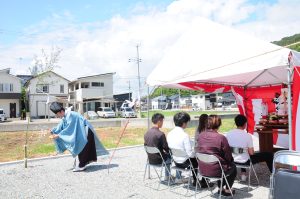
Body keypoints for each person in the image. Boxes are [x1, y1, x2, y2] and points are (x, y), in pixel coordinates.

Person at [49, 102, 108, 172]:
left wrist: (59, 135)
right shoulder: (66, 115)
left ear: (61, 111)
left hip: (85, 131)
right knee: (82, 147)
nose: (57, 116)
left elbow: (69, 129)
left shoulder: (71, 115)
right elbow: (61, 126)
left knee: (81, 146)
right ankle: (82, 164)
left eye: (57, 114)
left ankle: (81, 165)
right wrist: (53, 131)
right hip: (81, 131)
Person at [197, 115, 237, 196]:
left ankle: (221, 188)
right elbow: (228, 155)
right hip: (216, 170)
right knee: (232, 167)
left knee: (220, 164)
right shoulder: (221, 137)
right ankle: (227, 189)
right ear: (219, 124)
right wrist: (230, 161)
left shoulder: (200, 136)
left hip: (202, 169)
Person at [226, 114, 273, 181]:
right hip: (245, 161)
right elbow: (252, 153)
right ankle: (274, 174)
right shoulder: (247, 136)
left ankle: (243, 174)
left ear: (235, 123)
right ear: (245, 124)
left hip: (233, 160)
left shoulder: (229, 133)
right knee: (268, 155)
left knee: (241, 152)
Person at [167, 112, 207, 187]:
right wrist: (197, 154)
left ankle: (197, 180)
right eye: (187, 122)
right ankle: (199, 181)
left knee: (194, 158)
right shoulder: (184, 135)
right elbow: (190, 154)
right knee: (200, 159)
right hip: (185, 164)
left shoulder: (169, 134)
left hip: (176, 162)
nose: (187, 124)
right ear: (184, 123)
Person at [144, 113, 172, 181]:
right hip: (159, 160)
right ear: (159, 121)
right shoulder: (160, 134)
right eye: (162, 121)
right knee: (170, 156)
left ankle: (168, 175)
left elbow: (145, 145)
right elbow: (166, 148)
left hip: (150, 160)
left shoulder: (147, 133)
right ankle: (168, 176)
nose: (163, 123)